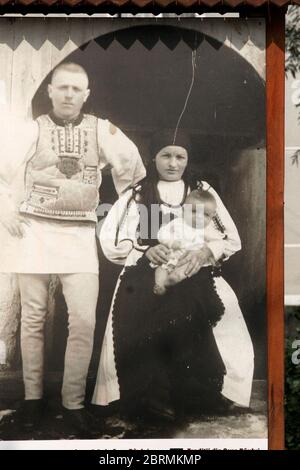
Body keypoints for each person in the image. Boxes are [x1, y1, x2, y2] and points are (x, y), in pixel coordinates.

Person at [0, 62, 145, 436]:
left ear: (86, 94)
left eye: (75, 89)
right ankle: (33, 400)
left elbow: (131, 172)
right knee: (33, 317)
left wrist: (117, 222)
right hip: (31, 230)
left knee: (82, 319)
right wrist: (5, 211)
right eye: (61, 87)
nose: (68, 94)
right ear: (49, 90)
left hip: (79, 232)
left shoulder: (101, 129)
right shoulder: (31, 129)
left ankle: (73, 404)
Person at [92, 142, 254, 421]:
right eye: (166, 155)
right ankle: (150, 395)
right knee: (143, 304)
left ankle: (199, 393)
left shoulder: (201, 190)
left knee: (204, 305)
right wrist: (145, 249)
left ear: (187, 159)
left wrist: (207, 250)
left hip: (194, 268)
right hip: (148, 268)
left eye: (180, 157)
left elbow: (229, 238)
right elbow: (112, 238)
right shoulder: (138, 192)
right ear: (153, 157)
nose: (173, 163)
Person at [152, 188, 220, 295]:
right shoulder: (178, 222)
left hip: (189, 260)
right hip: (171, 256)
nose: (199, 217)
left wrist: (207, 251)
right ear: (184, 210)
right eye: (194, 211)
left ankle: (172, 280)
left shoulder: (208, 230)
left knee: (183, 272)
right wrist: (171, 242)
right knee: (161, 269)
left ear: (212, 216)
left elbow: (219, 243)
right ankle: (160, 285)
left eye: (206, 215)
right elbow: (162, 233)